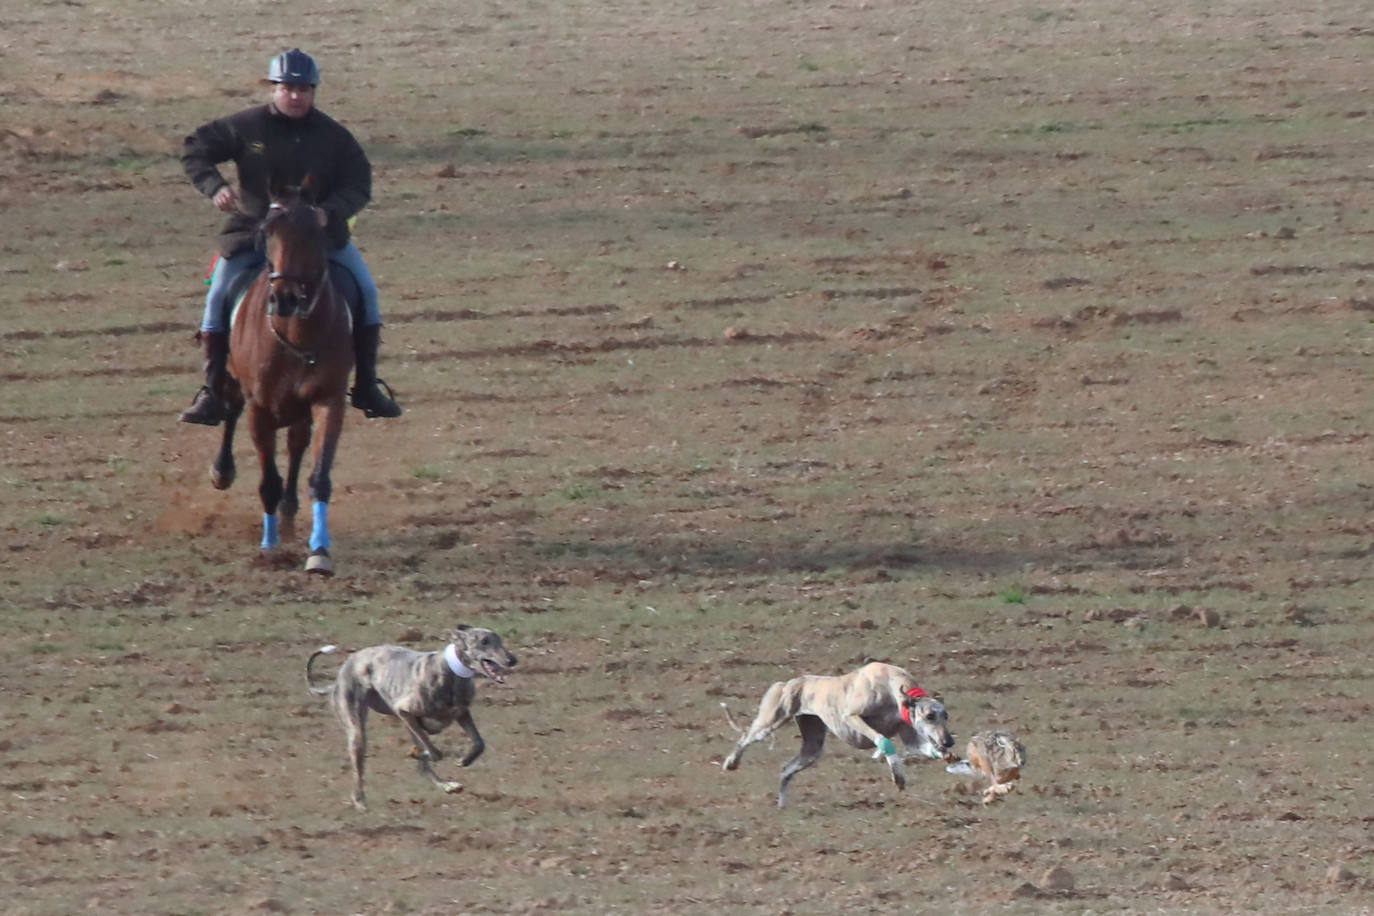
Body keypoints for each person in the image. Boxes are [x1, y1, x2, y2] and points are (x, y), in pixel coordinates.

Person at [178, 47, 401, 424]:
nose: (295, 96)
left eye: (303, 88)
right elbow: (195, 150)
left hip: (320, 243)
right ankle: (213, 391)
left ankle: (365, 385)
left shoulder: (335, 137)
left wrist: (328, 213)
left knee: (367, 293)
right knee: (216, 297)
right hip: (251, 235)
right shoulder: (245, 127)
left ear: (313, 91)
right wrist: (215, 186)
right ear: (273, 89)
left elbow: (359, 185)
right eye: (287, 88)